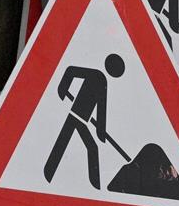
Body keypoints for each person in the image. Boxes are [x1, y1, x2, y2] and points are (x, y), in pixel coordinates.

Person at [43, 53, 125, 189]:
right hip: (76, 116)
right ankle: (95, 186)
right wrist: (62, 89)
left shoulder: (101, 80)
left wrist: (101, 131)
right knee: (88, 147)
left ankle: (48, 173)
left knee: (66, 143)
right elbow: (71, 71)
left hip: (80, 119)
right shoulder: (98, 77)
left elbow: (101, 108)